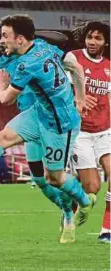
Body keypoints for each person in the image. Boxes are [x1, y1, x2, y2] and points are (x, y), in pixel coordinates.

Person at [0, 14, 95, 244]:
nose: (2, 41)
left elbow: (5, 99)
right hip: (37, 114)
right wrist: (79, 97)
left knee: (55, 178)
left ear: (19, 38)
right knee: (4, 139)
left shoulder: (26, 63)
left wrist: (3, 84)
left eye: (5, 36)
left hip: (59, 124)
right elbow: (75, 67)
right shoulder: (27, 52)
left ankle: (84, 202)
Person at [67, 21, 110, 243]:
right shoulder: (73, 58)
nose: (93, 42)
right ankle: (70, 208)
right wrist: (76, 97)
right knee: (92, 187)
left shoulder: (109, 67)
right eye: (90, 37)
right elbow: (58, 84)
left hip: (105, 131)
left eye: (98, 38)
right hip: (81, 132)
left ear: (106, 42)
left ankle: (107, 230)